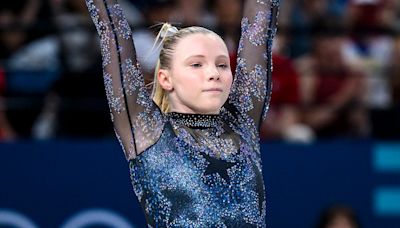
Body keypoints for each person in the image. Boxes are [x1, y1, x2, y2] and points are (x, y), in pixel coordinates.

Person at [85, 0, 279, 226]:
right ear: (165, 79)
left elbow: (260, 21)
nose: (214, 73)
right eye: (197, 64)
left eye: (222, 65)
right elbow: (112, 29)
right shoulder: (148, 130)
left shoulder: (242, 124)